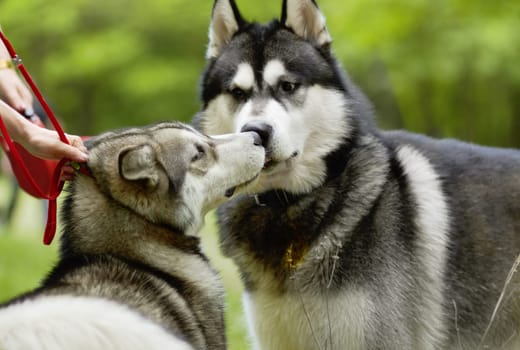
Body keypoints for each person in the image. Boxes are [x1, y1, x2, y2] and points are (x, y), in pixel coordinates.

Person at [0, 39, 88, 163]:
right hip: (24, 153)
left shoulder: (41, 103)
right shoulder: (9, 104)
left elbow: (56, 124)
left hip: (39, 150)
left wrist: (5, 67)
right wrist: (28, 134)